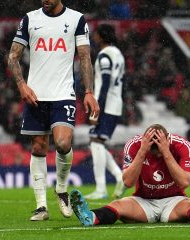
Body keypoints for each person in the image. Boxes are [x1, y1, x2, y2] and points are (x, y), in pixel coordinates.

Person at [7, 0, 100, 221]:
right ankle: (41, 207)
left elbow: (85, 57)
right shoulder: (30, 19)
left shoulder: (76, 19)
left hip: (63, 94)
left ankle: (61, 189)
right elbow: (12, 56)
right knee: (39, 147)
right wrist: (22, 85)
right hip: (36, 95)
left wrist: (88, 91)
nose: (44, 0)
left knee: (62, 143)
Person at [70, 124, 190, 226]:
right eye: (153, 151)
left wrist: (165, 152)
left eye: (158, 151)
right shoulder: (134, 145)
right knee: (117, 205)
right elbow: (128, 182)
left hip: (174, 200)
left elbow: (184, 182)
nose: (156, 156)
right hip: (143, 201)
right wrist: (143, 151)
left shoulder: (183, 146)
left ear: (167, 141)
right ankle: (90, 217)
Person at [85, 24, 126, 200]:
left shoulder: (104, 56)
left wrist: (96, 109)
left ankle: (101, 188)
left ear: (102, 37)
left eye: (95, 35)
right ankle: (119, 177)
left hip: (107, 104)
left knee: (96, 141)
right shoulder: (118, 54)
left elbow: (106, 83)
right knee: (96, 142)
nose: (93, 37)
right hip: (115, 103)